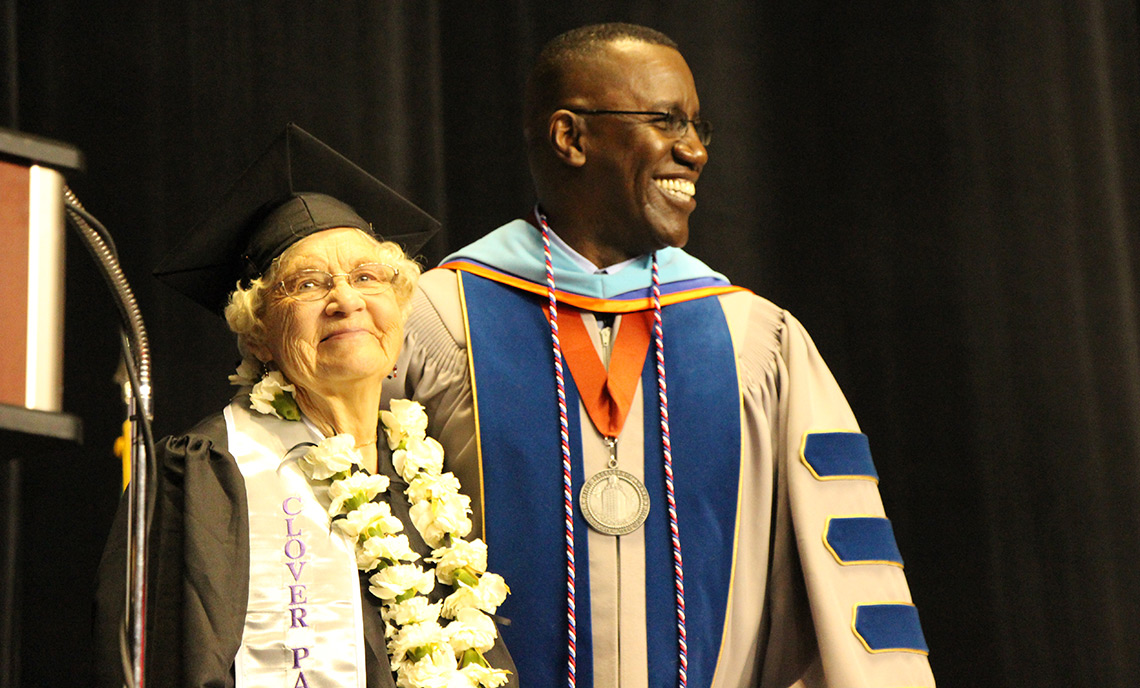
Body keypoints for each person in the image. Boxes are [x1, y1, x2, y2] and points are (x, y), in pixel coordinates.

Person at [390, 23, 936, 688]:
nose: (695, 151)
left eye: (700, 127)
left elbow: (850, 581)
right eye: (666, 121)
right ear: (571, 137)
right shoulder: (433, 320)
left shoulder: (756, 339)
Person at [94, 124, 516, 688]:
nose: (346, 300)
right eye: (308, 284)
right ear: (258, 336)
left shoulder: (425, 486)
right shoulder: (205, 474)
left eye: (368, 277)